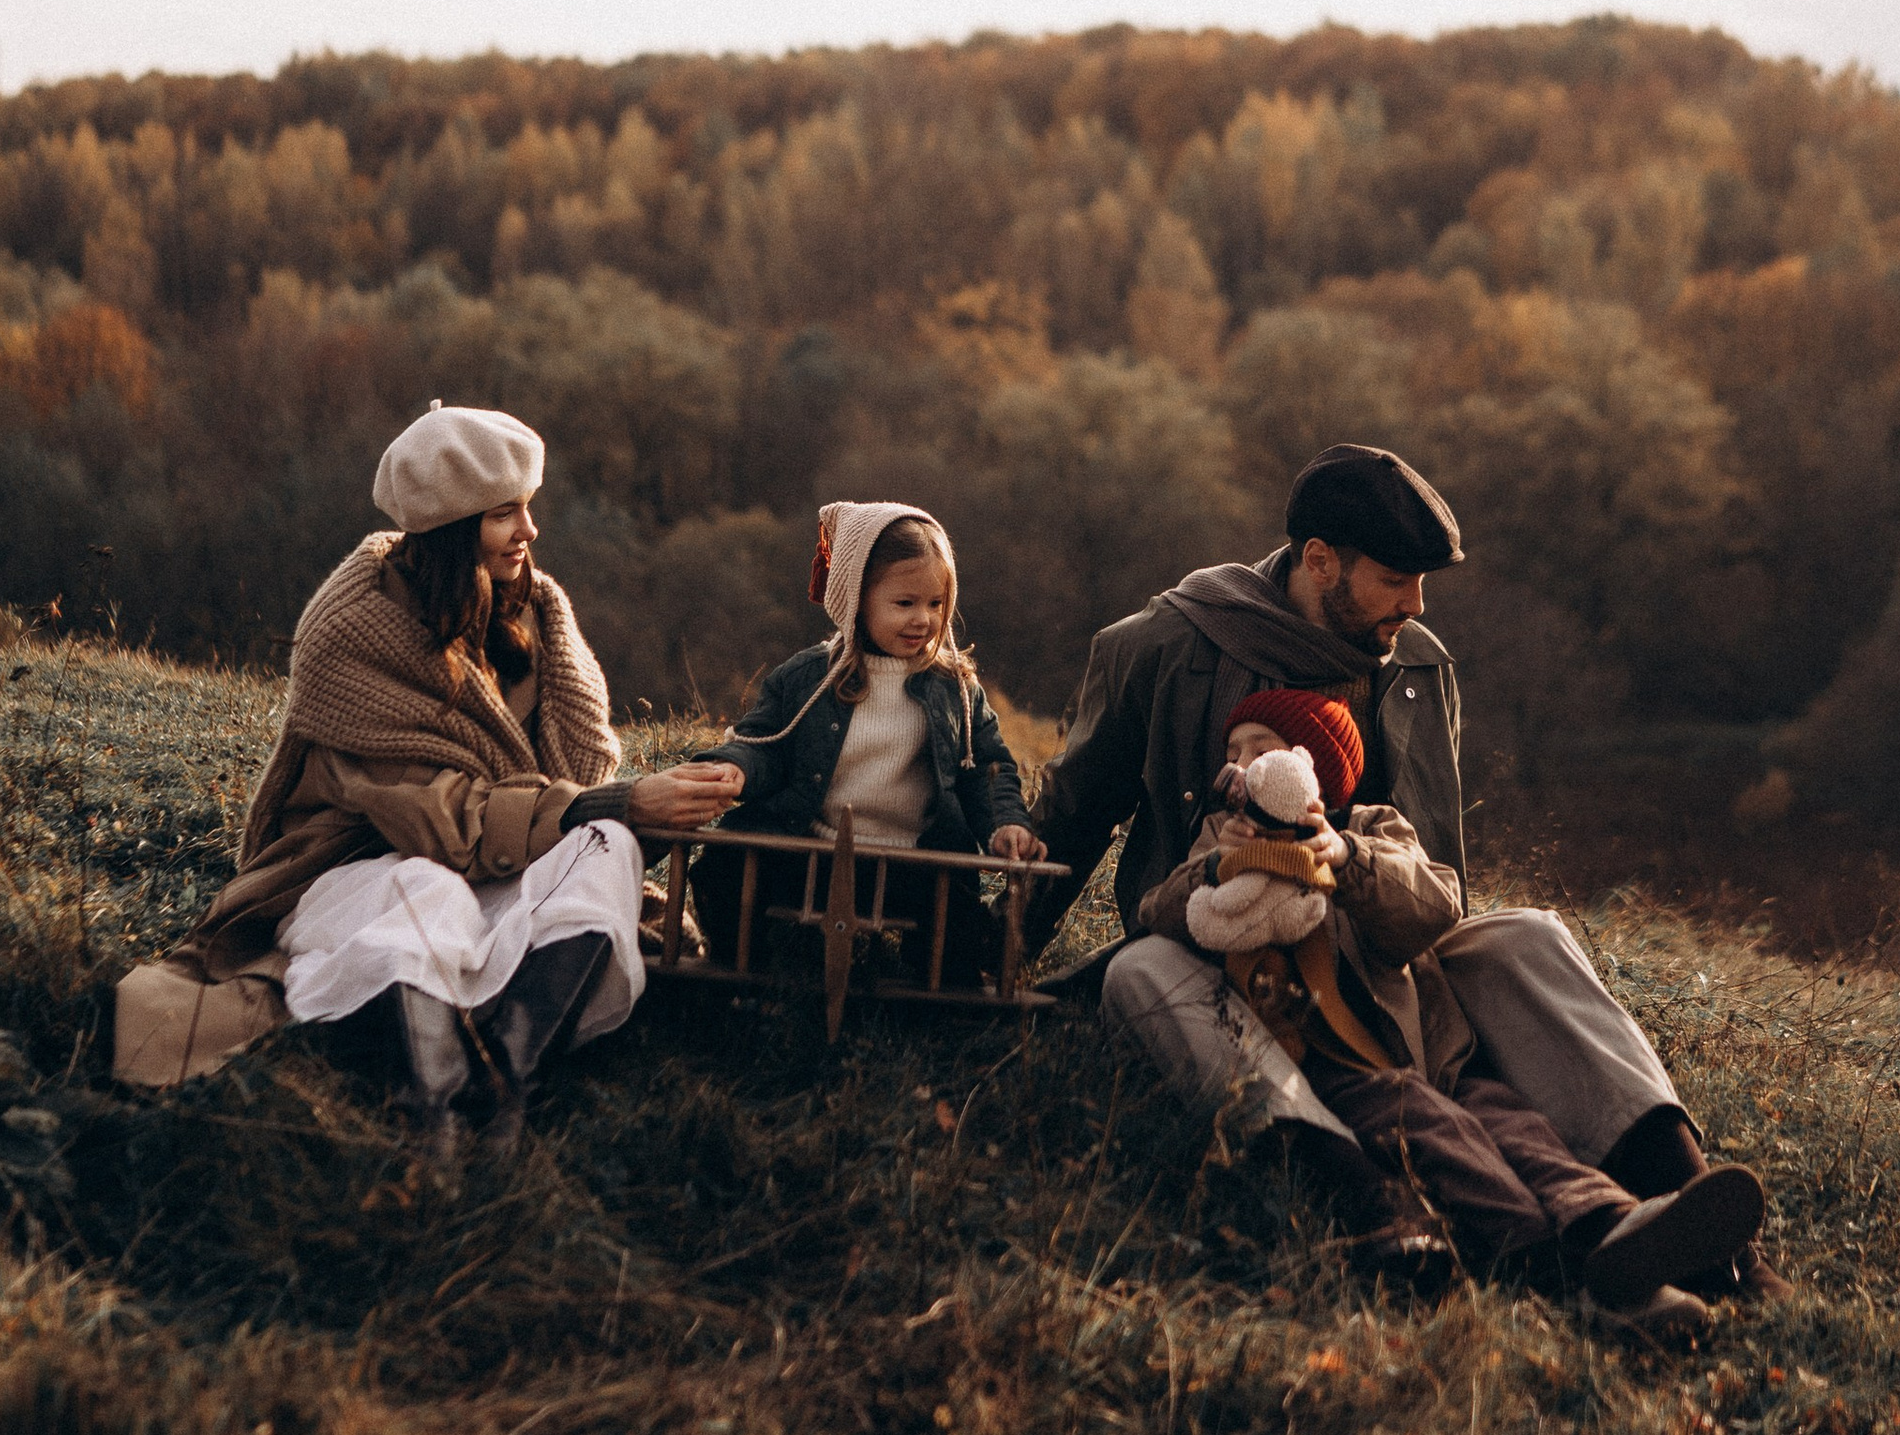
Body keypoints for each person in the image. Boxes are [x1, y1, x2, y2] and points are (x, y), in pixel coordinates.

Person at [1030, 440, 1774, 1290]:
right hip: (1223, 952)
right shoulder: (1167, 644)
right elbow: (1073, 815)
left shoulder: (1416, 665)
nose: (1415, 605)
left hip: (1382, 945)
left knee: (1527, 935)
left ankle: (1705, 1222)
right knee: (1140, 967)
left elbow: (1437, 879)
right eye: (1397, 579)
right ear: (1320, 561)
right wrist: (984, 956)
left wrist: (1358, 879)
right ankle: (1355, 1185)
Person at [111, 401, 742, 1141]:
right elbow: (435, 819)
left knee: (610, 847)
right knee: (430, 889)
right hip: (366, 873)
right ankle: (430, 1116)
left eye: (528, 509)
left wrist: (616, 811)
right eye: (505, 514)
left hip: (501, 864)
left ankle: (503, 1086)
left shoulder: (536, 612)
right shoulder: (354, 637)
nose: (530, 532)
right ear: (451, 526)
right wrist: (618, 800)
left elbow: (580, 770)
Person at [1141, 689, 1763, 1314]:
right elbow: (1162, 912)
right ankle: (1555, 1268)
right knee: (1450, 1146)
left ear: (1311, 772)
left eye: (1263, 751)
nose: (1243, 767)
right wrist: (1226, 863)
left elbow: (1434, 905)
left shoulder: (1371, 828)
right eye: (1233, 753)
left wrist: (1345, 856)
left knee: (1521, 1132)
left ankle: (1615, 1225)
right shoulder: (1218, 841)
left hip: (1436, 1060)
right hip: (1344, 1072)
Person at [693, 499, 1043, 979]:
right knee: (725, 868)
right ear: (856, 600)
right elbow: (765, 742)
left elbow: (986, 767)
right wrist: (734, 767)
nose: (923, 619)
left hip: (913, 862)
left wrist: (1004, 821)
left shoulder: (955, 688)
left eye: (936, 603)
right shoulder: (809, 678)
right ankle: (742, 976)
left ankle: (938, 999)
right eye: (905, 603)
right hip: (810, 850)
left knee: (959, 928)